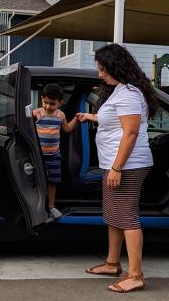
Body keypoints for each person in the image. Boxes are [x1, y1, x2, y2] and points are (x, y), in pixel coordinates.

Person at [77, 43, 158, 293]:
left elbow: (131, 132)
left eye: (102, 69)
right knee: (114, 216)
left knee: (127, 217)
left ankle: (136, 275)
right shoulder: (121, 90)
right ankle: (112, 263)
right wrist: (91, 117)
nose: (100, 74)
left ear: (115, 67)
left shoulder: (130, 93)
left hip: (127, 165)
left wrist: (117, 167)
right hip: (115, 164)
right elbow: (113, 119)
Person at [33, 83, 79, 219]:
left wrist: (76, 119)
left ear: (60, 103)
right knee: (37, 180)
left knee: (52, 182)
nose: (48, 106)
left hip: (53, 155)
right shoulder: (37, 113)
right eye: (45, 102)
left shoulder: (61, 115)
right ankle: (37, 206)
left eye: (52, 104)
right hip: (38, 155)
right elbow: (23, 124)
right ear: (41, 99)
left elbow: (67, 129)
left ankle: (51, 206)